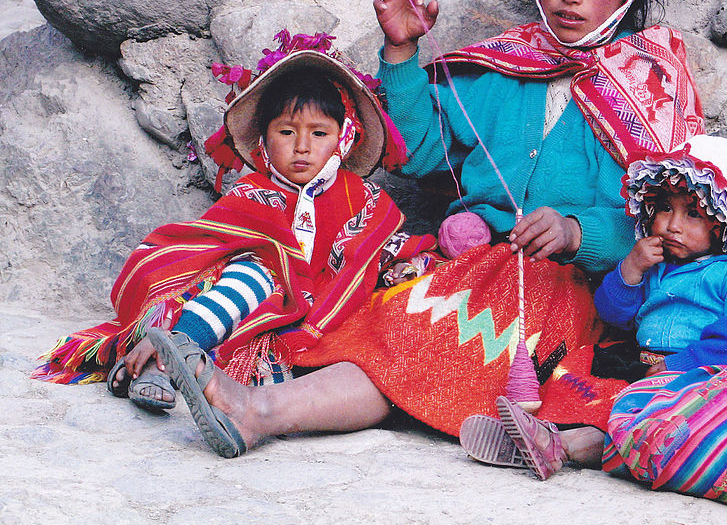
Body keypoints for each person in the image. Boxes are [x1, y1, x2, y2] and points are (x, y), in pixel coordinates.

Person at [141, 0, 707, 458]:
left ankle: (260, 411)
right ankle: (243, 393)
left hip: (567, 291)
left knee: (429, 339)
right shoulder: (503, 69)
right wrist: (402, 50)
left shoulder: (654, 84)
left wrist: (579, 233)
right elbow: (419, 148)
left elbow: (669, 228)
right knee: (385, 320)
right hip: (466, 264)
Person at [34, 35, 434, 437]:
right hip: (253, 302)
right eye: (286, 132)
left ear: (344, 139)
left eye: (319, 133)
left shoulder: (361, 198)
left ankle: (178, 369)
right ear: (263, 141)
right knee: (253, 275)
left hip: (321, 314)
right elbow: (205, 245)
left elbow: (383, 249)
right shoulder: (251, 193)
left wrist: (412, 264)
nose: (302, 147)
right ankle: (165, 356)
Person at [460, 134, 727, 480]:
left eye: (692, 215)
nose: (672, 225)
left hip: (701, 371)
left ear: (725, 222)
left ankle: (562, 446)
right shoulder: (656, 261)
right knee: (580, 371)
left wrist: (684, 364)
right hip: (641, 361)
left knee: (649, 415)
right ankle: (545, 429)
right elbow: (614, 315)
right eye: (666, 209)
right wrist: (630, 270)